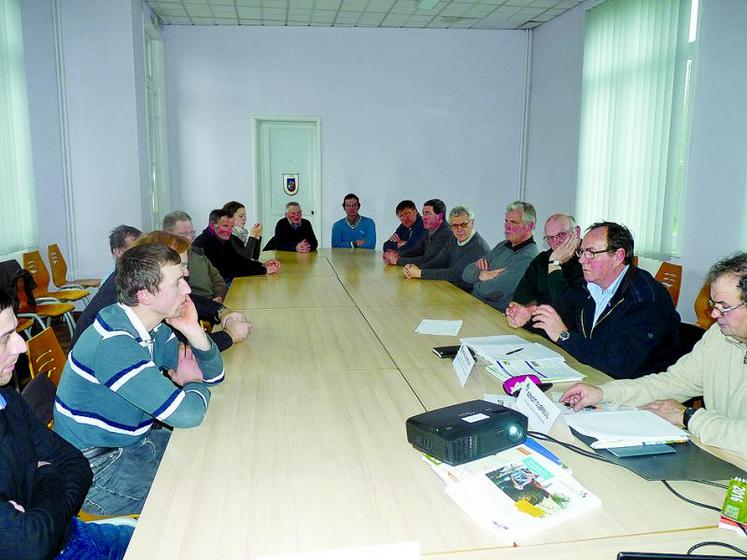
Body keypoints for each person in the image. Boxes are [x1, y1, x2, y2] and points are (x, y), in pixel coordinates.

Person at [54, 243, 225, 516]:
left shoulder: (154, 329)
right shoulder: (115, 345)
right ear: (145, 295)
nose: (188, 290)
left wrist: (193, 331)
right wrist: (192, 383)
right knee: (202, 494)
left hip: (132, 445)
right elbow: (188, 414)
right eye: (178, 283)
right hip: (97, 473)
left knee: (215, 458)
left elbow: (214, 375)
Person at [560, 252, 747, 459]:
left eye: (725, 307)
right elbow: (672, 383)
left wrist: (689, 418)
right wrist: (604, 393)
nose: (714, 315)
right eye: (714, 305)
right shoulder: (718, 336)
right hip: (719, 453)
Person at [0, 289, 134, 559]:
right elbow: (30, 546)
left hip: (72, 535)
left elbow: (77, 465)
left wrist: (38, 513)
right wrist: (48, 475)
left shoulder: (7, 400)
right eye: (4, 339)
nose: (21, 345)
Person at [508, 222, 681, 379]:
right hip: (592, 373)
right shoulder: (587, 285)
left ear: (619, 256)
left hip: (637, 391)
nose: (582, 260)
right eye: (582, 252)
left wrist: (564, 336)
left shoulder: (646, 299)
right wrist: (528, 318)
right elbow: (558, 318)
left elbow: (622, 364)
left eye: (591, 253)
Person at [462, 201, 539, 311]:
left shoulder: (528, 257)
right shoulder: (502, 245)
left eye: (513, 222)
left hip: (496, 316)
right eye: (506, 221)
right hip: (476, 306)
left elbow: (494, 291)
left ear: (530, 226)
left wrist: (476, 281)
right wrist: (481, 275)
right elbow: (466, 272)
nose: (507, 227)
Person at [403, 205, 489, 291]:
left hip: (469, 296)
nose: (459, 229)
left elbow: (455, 274)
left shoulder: (478, 247)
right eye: (455, 226)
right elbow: (440, 261)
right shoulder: (453, 238)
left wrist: (420, 273)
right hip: (451, 288)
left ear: (472, 223)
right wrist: (417, 269)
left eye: (463, 225)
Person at [509, 213, 584, 308]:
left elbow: (568, 304)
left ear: (576, 232)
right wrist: (532, 310)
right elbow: (520, 295)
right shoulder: (542, 259)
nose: (555, 242)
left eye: (561, 235)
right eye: (550, 238)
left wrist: (555, 263)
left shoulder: (588, 261)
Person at [193, 209, 281, 281]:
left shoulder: (223, 238)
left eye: (231, 227)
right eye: (225, 226)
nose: (230, 231)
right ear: (212, 226)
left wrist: (262, 265)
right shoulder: (205, 242)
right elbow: (228, 271)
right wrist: (263, 270)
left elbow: (237, 260)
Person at [163, 210, 228, 302]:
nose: (189, 238)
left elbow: (219, 281)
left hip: (214, 303)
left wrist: (219, 297)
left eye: (191, 233)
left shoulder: (197, 253)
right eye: (183, 234)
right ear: (167, 234)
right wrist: (210, 306)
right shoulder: (165, 261)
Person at [383, 199, 450, 266]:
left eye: (427, 213)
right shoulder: (429, 229)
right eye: (423, 213)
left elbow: (428, 260)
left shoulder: (445, 232)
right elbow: (415, 250)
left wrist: (397, 261)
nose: (423, 217)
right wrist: (395, 254)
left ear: (439, 216)